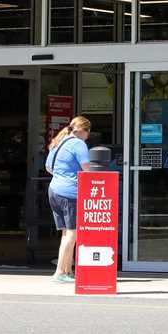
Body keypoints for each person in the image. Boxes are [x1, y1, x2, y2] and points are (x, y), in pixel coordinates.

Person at [46, 115, 91, 283]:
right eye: (88, 132)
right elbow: (87, 169)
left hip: (54, 190)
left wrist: (62, 174)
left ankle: (67, 271)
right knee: (72, 234)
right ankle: (59, 273)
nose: (88, 136)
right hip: (70, 193)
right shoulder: (79, 144)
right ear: (83, 130)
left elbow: (49, 167)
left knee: (66, 234)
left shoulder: (59, 142)